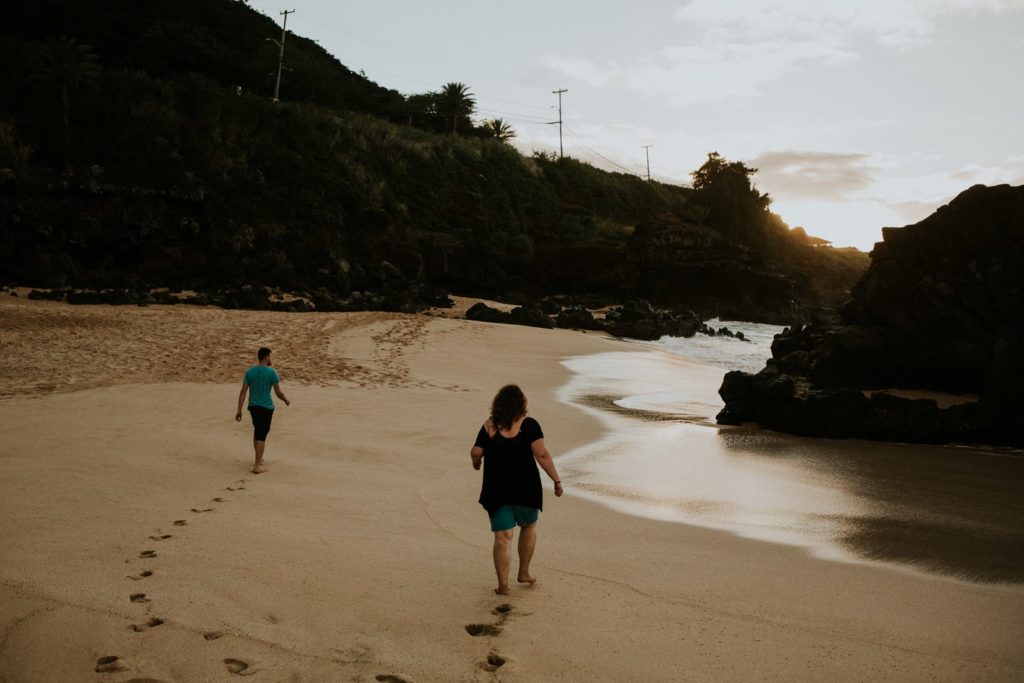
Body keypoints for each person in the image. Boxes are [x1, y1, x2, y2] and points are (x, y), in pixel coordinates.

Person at [471, 384, 563, 595]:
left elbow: (476, 452)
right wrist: (557, 481)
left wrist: (477, 463)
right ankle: (523, 572)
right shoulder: (529, 425)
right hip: (526, 489)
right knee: (529, 526)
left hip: (497, 490)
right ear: (522, 404)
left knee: (502, 537)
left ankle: (503, 586)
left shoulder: (490, 426)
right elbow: (542, 455)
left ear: (498, 404)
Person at [235, 347, 290, 474]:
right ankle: (257, 466)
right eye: (270, 356)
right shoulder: (272, 373)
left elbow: (243, 392)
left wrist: (239, 410)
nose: (270, 359)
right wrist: (286, 400)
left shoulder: (250, 372)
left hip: (253, 407)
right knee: (261, 435)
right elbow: (278, 392)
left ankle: (258, 460)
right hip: (266, 408)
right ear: (266, 357)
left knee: (257, 431)